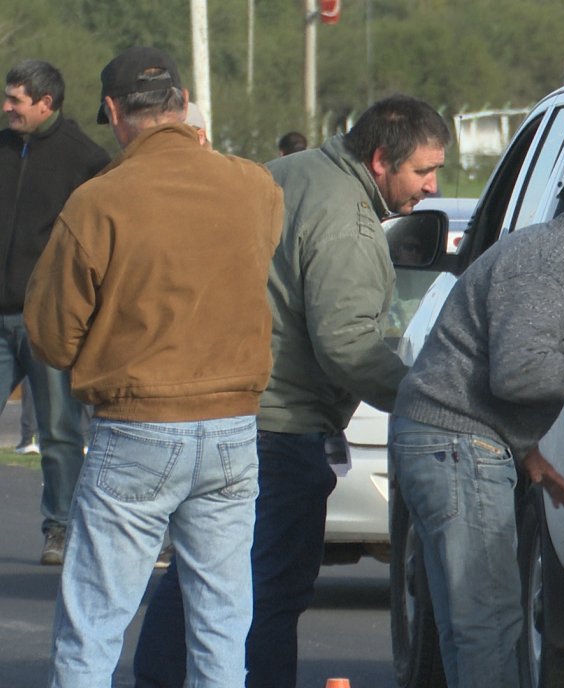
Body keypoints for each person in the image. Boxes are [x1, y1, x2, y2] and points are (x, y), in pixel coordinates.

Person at [134, 93, 450, 688]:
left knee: (200, 578)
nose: (432, 186)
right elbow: (347, 345)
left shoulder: (283, 174)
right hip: (278, 427)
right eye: (424, 171)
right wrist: (431, 401)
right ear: (381, 159)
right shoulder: (347, 221)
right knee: (269, 594)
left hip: (218, 408)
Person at [24, 45, 284, 686]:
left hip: (136, 425)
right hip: (233, 426)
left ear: (113, 111)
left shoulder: (98, 201)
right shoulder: (253, 185)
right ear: (184, 103)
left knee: (94, 625)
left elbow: (52, 337)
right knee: (223, 626)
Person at [389, 155, 564, 688]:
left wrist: (526, 452)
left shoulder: (556, 256)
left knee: (471, 624)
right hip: (456, 445)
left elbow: (495, 367)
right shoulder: (551, 267)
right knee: (489, 623)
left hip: (454, 439)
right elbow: (517, 374)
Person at [0, 59, 110, 565]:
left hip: (49, 321)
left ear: (46, 103)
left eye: (15, 100)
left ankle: (61, 527)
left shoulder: (85, 159)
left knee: (61, 431)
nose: (7, 108)